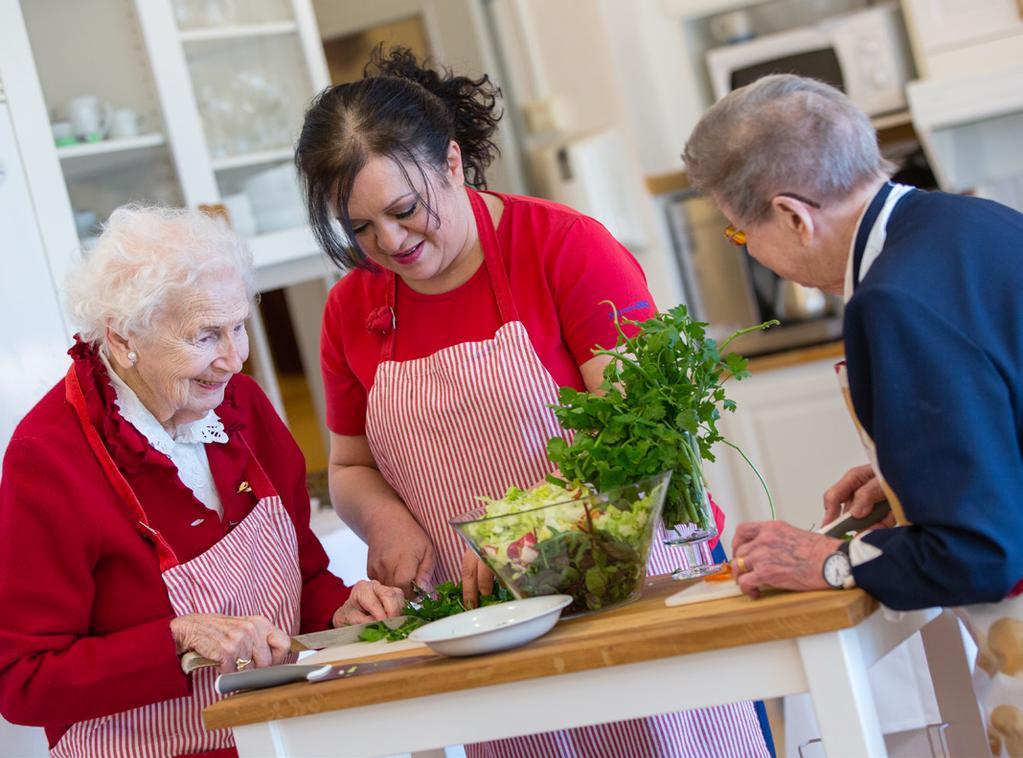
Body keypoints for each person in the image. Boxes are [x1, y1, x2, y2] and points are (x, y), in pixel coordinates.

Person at [294, 46, 771, 757]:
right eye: (360, 230)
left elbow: (633, 439)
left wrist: (529, 538)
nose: (389, 242)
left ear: (452, 164)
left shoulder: (561, 246)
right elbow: (352, 465)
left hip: (631, 598)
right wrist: (386, 523)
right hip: (486, 627)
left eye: (403, 210)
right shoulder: (350, 309)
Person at [682, 73, 1023, 752]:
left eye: (737, 233)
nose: (754, 253)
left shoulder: (890, 299)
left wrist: (832, 560)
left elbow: (977, 554)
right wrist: (910, 474)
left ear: (791, 216)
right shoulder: (975, 221)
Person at [0, 206, 405, 758]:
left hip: (287, 737)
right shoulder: (49, 459)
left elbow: (302, 576)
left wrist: (341, 609)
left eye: (238, 327)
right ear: (123, 338)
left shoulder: (240, 405)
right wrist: (175, 639)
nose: (233, 359)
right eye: (205, 335)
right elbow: (23, 682)